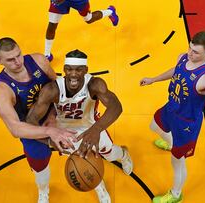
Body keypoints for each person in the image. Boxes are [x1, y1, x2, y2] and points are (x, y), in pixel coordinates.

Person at [140, 31, 205, 203]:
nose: (190, 53)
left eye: (196, 52)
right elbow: (176, 71)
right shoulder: (183, 57)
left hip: (186, 124)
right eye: (190, 48)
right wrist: (154, 79)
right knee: (154, 125)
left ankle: (176, 194)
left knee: (177, 161)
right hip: (171, 108)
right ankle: (172, 144)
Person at [26, 49, 133, 203]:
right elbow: (31, 120)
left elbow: (116, 106)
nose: (73, 74)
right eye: (69, 69)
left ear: (86, 70)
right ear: (64, 70)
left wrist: (96, 130)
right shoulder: (52, 89)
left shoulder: (95, 84)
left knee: (109, 154)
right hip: (65, 132)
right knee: (84, 162)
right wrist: (50, 140)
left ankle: (123, 154)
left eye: (78, 70)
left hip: (92, 127)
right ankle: (99, 185)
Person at [0, 37, 77, 203]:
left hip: (56, 114)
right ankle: (43, 191)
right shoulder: (1, 89)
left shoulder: (38, 60)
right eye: (10, 59)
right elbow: (15, 128)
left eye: (19, 55)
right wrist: (49, 131)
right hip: (31, 130)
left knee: (84, 148)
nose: (18, 62)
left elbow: (58, 87)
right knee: (40, 168)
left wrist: (52, 117)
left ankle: (98, 183)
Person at [44, 0, 119, 61]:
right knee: (52, 25)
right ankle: (47, 54)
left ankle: (110, 12)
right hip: (60, 2)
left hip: (78, 1)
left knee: (88, 19)